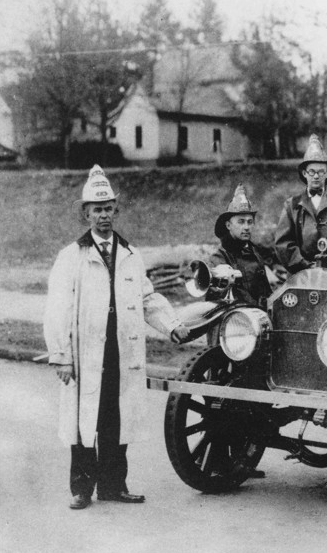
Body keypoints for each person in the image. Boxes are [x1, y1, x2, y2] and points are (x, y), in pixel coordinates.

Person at [44, 165, 189, 510]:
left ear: (116, 211)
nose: (103, 215)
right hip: (84, 354)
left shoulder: (130, 255)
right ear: (86, 214)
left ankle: (113, 486)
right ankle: (82, 489)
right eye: (97, 209)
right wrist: (61, 355)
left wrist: (171, 325)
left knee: (115, 419)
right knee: (83, 422)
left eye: (108, 208)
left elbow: (147, 299)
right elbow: (57, 309)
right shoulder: (72, 257)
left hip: (120, 351)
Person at [274, 134, 327, 272]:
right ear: (304, 173)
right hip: (301, 274)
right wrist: (305, 266)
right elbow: (283, 244)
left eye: (320, 171)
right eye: (311, 172)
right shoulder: (291, 205)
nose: (316, 176)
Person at [210, 184, 283, 308]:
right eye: (241, 222)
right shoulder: (220, 257)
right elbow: (218, 297)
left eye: (250, 222)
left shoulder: (255, 252)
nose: (246, 227)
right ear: (228, 225)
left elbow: (265, 291)